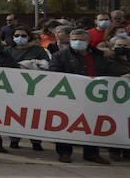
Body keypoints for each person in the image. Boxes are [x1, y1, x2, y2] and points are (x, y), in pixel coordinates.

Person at [48, 29, 114, 164]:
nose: (78, 42)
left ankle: (91, 153)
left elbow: (110, 70)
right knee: (66, 124)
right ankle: (64, 152)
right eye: (74, 40)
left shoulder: (100, 55)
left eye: (82, 40)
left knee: (93, 124)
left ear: (89, 41)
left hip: (94, 97)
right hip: (70, 96)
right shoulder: (60, 56)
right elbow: (54, 74)